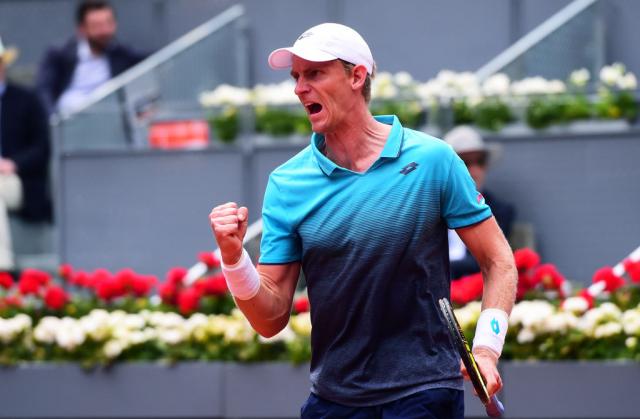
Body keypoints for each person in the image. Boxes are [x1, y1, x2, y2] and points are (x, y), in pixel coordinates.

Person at [209, 23, 517, 418]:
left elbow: (499, 261)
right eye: (296, 77)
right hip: (333, 400)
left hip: (424, 393)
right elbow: (269, 320)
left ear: (356, 76)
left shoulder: (434, 160)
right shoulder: (287, 184)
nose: (300, 88)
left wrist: (487, 350)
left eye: (314, 74)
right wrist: (233, 259)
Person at [36, 0, 146, 115]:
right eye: (97, 26)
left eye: (109, 23)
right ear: (82, 29)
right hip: (69, 118)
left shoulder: (120, 53)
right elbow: (43, 90)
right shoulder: (60, 54)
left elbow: (151, 61)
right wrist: (52, 119)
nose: (105, 31)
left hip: (109, 116)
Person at [0, 37, 51, 271]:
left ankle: (3, 268)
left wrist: (12, 164)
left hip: (17, 179)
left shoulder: (26, 100)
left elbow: (42, 147)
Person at [444, 125, 516, 280]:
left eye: (480, 161)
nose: (475, 171)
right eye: (464, 162)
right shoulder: (427, 206)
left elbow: (490, 260)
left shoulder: (500, 211)